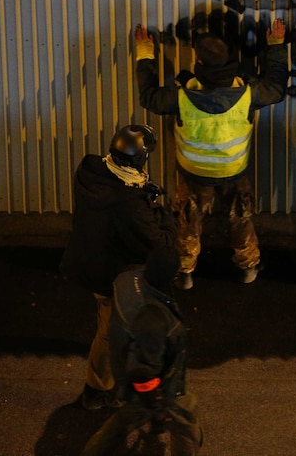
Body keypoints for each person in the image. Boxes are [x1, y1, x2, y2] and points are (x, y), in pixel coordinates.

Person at [135, 19, 290, 289]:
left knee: (188, 221)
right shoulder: (246, 93)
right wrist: (276, 45)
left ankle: (184, 274)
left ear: (200, 64)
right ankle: (248, 268)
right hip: (234, 171)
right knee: (240, 219)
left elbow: (149, 97)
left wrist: (145, 50)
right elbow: (276, 89)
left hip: (194, 174)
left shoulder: (182, 96)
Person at [60, 124, 178, 410]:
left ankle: (110, 382)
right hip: (111, 276)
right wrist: (166, 215)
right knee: (109, 331)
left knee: (112, 327)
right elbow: (158, 242)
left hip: (89, 261)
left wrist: (140, 193)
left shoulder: (91, 171)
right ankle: (97, 390)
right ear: (139, 159)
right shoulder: (130, 203)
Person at [81, 246, 202, 455]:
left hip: (126, 373)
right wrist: (156, 403)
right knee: (186, 421)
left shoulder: (128, 279)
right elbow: (143, 369)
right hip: (159, 388)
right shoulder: (154, 318)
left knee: (121, 424)